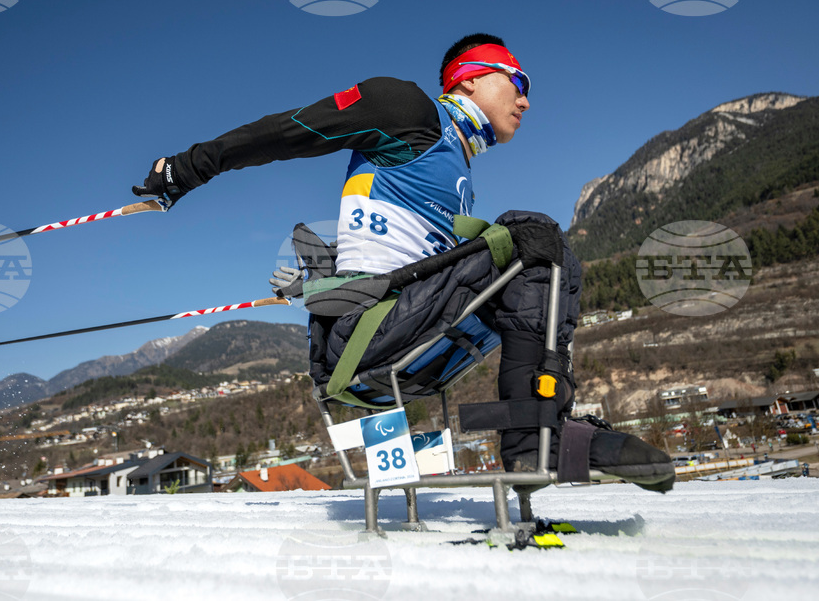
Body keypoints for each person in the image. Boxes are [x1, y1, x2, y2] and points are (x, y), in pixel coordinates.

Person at [133, 33, 674, 492]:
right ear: (468, 78)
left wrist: (324, 269)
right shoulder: (408, 110)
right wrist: (188, 167)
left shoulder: (456, 166)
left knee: (544, 257)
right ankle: (537, 443)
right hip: (367, 335)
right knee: (533, 238)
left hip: (412, 334)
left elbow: (391, 240)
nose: (526, 100)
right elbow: (291, 129)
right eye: (518, 81)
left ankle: (546, 427)